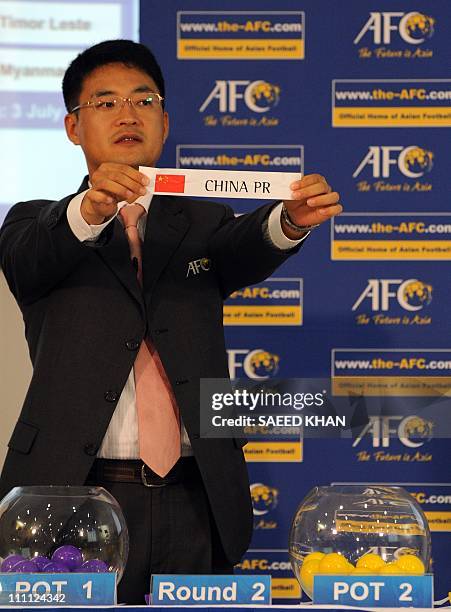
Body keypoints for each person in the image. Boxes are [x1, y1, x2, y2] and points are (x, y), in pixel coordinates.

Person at [0, 40, 342, 603]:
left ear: (165, 121)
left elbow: (245, 244)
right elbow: (33, 260)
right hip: (77, 494)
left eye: (144, 100)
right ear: (72, 127)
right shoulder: (36, 223)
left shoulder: (202, 220)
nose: (128, 114)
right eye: (105, 102)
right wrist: (91, 209)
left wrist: (289, 221)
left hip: (196, 493)